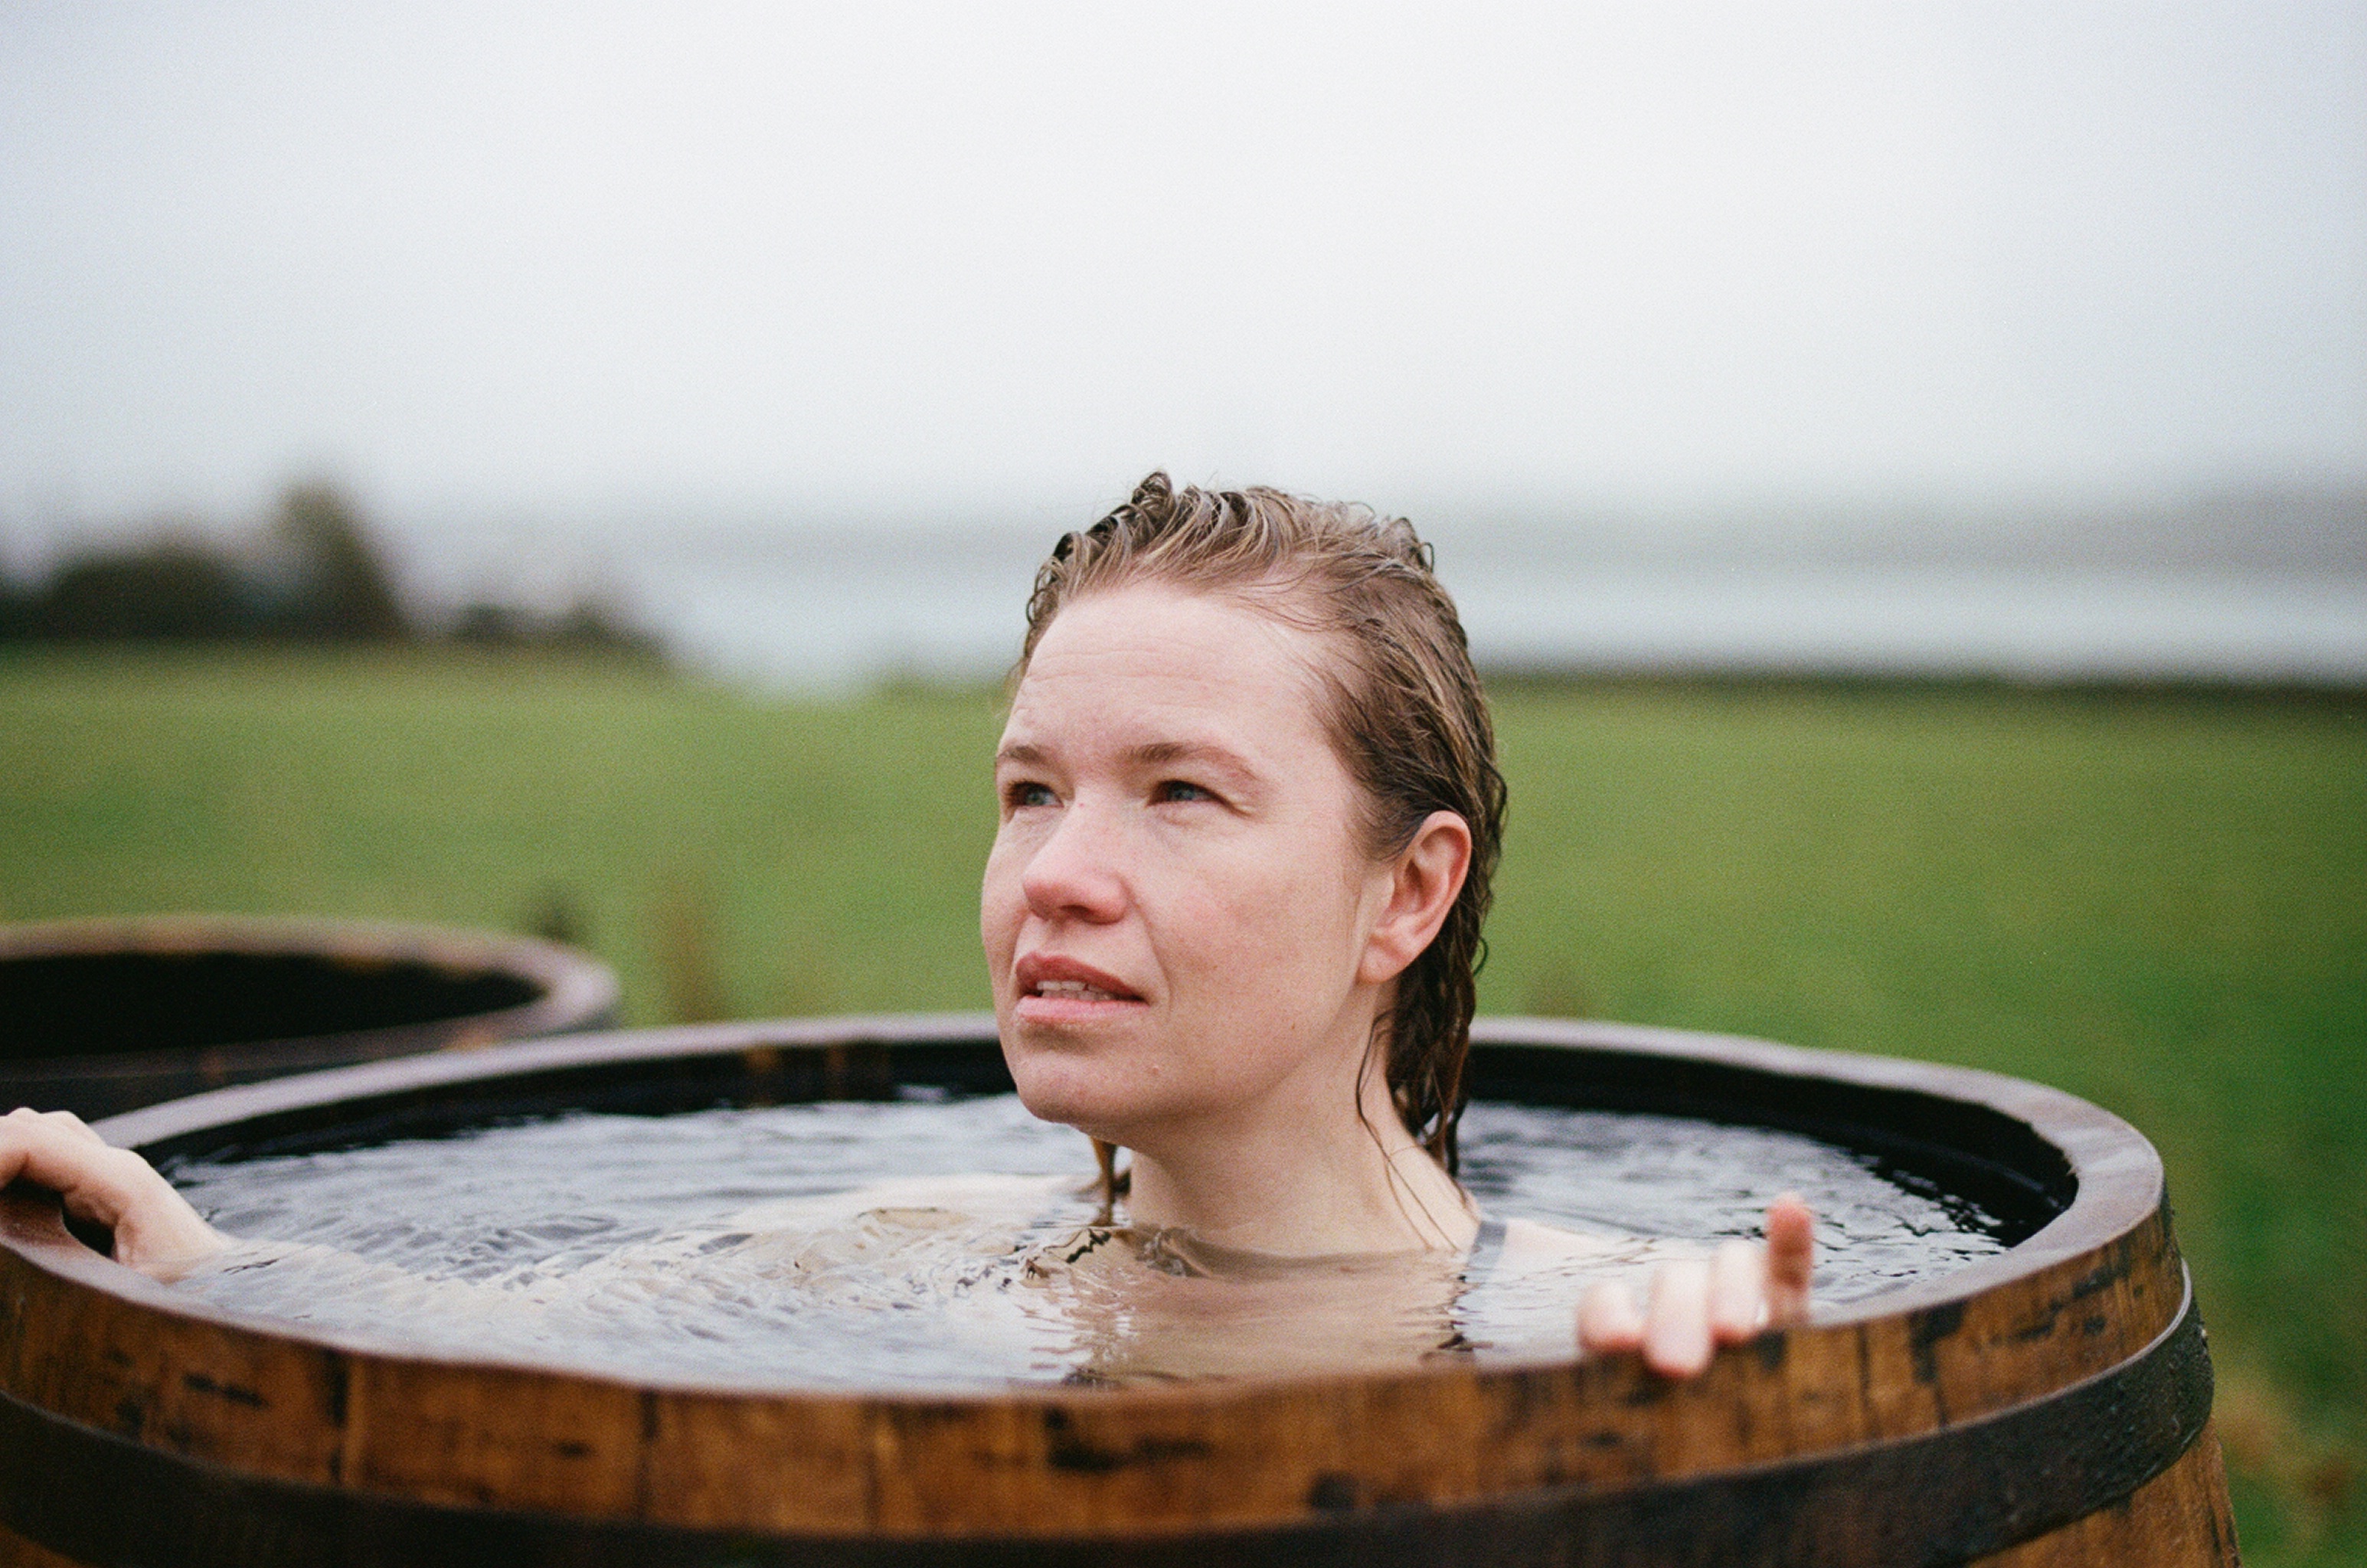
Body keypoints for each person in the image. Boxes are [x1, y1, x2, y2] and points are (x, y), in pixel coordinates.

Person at [2, 472, 1811, 1380]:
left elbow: (1689, 1337)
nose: (1055, 873)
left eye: (1178, 791)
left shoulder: (1567, 1309)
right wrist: (188, 1260)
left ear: (1403, 892)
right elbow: (485, 1329)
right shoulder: (932, 1254)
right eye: (1031, 790)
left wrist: (1732, 1398)